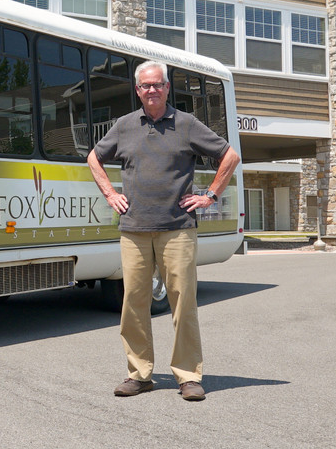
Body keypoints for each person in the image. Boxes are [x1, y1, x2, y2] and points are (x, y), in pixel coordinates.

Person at [86, 60, 240, 401]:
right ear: (137, 90)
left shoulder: (186, 124)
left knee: (183, 302)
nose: (152, 90)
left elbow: (229, 156)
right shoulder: (125, 126)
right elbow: (93, 158)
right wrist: (110, 194)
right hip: (134, 229)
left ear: (167, 88)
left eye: (158, 84)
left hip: (177, 229)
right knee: (133, 303)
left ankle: (188, 376)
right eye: (145, 86)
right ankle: (139, 375)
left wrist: (210, 195)